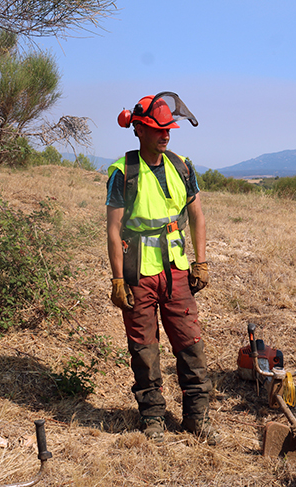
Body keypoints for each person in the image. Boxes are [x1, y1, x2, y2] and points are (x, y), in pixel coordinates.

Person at [106, 92, 218, 445]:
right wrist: (117, 279)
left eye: (168, 127)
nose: (166, 134)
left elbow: (197, 215)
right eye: (157, 129)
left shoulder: (182, 165)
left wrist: (201, 261)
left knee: (191, 344)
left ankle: (196, 418)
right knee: (143, 348)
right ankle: (152, 417)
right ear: (138, 129)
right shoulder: (123, 172)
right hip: (137, 274)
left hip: (177, 272)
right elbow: (112, 228)